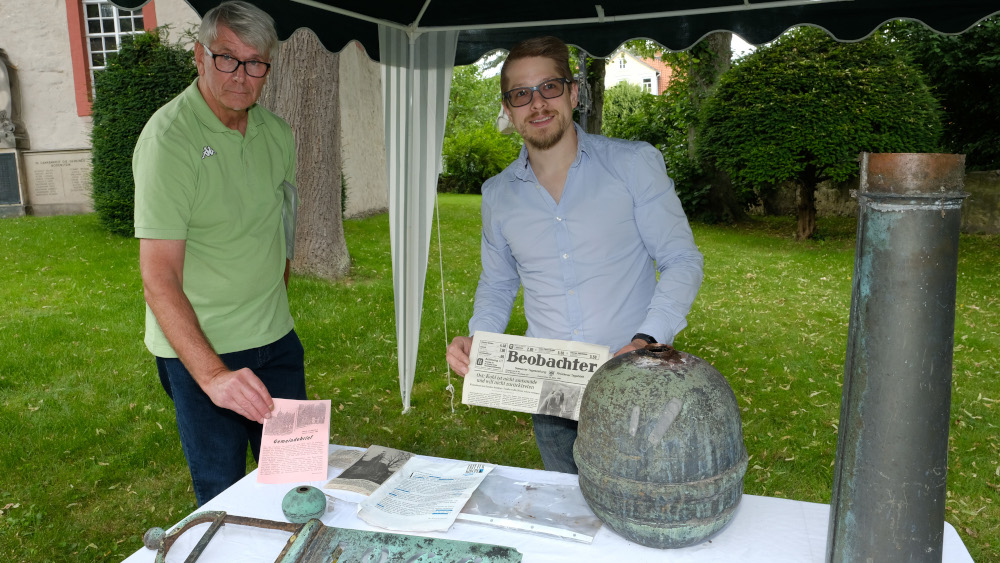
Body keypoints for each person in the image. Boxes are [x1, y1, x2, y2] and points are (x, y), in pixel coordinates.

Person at [445, 36, 704, 474]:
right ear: (508, 108)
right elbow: (498, 281)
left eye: (549, 87)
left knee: (638, 506)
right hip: (551, 392)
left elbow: (682, 259)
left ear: (573, 92)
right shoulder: (497, 195)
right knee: (569, 512)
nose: (537, 104)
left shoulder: (633, 165)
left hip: (633, 377)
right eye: (521, 94)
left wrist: (646, 341)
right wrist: (481, 339)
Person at [133, 1, 305, 505]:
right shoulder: (170, 140)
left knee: (296, 483)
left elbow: (282, 230)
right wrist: (212, 375)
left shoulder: (276, 133)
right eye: (227, 58)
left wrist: (273, 303)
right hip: (201, 352)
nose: (241, 75)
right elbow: (158, 275)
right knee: (222, 495)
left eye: (255, 63)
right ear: (199, 56)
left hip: (275, 340)